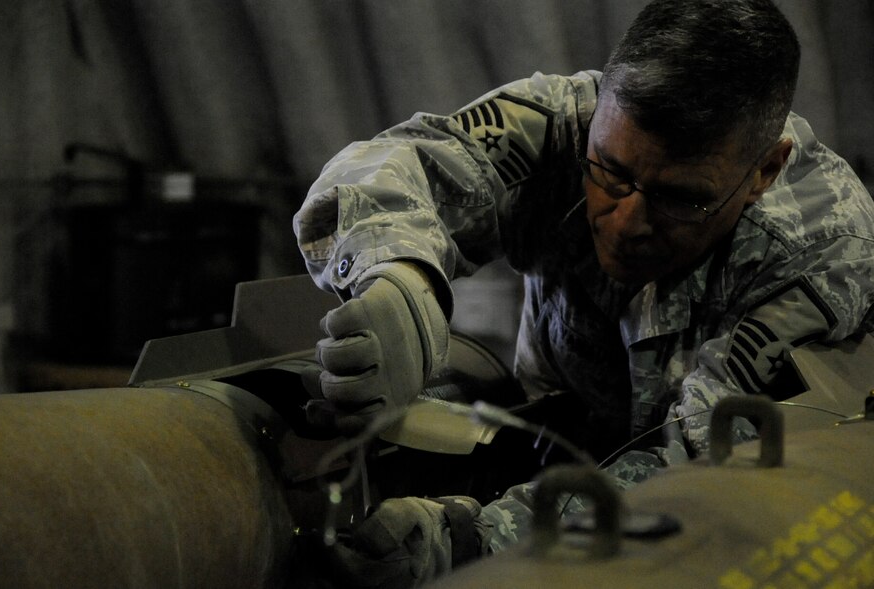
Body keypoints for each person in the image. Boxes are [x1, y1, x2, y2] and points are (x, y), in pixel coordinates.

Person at [293, 0, 874, 586]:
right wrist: (399, 275)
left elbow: (704, 465)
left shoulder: (820, 253)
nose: (624, 224)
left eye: (679, 199)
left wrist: (477, 539)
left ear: (764, 172)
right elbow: (402, 160)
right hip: (555, 433)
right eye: (609, 172)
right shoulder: (568, 120)